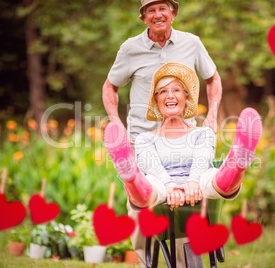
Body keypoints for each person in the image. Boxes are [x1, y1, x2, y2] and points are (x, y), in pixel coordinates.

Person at [102, 0, 222, 266]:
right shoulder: (130, 49)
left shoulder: (191, 43)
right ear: (143, 17)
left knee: (186, 204)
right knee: (142, 204)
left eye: (162, 8)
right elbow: (110, 86)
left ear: (173, 13)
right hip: (142, 141)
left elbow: (213, 77)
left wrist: (212, 114)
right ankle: (150, 262)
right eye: (151, 10)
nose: (157, 14)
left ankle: (184, 260)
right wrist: (116, 122)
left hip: (184, 139)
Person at [103, 63, 262, 259]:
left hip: (199, 186)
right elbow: (151, 166)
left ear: (186, 98)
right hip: (162, 189)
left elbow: (202, 160)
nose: (169, 95)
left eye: (176, 90)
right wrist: (170, 187)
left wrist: (193, 182)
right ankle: (130, 175)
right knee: (150, 183)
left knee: (212, 175)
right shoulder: (146, 138)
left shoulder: (203, 134)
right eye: (162, 91)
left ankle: (238, 161)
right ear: (156, 100)